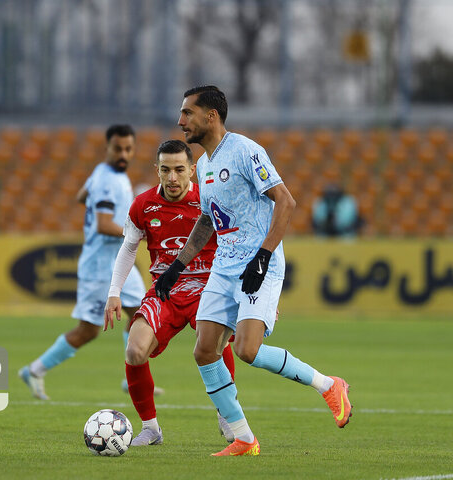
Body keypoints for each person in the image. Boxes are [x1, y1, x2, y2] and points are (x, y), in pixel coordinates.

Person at [155, 85, 353, 457]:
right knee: (204, 351)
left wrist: (263, 256)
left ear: (210, 116)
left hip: (257, 265)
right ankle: (244, 438)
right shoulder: (208, 163)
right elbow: (207, 221)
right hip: (224, 266)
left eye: (188, 113)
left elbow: (286, 201)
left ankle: (329, 385)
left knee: (246, 350)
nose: (181, 121)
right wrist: (176, 267)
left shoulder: (245, 151)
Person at [104, 139, 237, 447]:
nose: (173, 178)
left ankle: (227, 414)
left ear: (192, 169)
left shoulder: (209, 199)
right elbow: (127, 249)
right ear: (158, 171)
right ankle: (150, 429)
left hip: (208, 288)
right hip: (165, 291)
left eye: (180, 170)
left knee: (213, 344)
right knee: (135, 351)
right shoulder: (143, 205)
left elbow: (236, 241)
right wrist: (114, 292)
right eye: (166, 170)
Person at [19, 125, 147, 400]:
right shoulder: (107, 180)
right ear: (107, 148)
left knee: (142, 315)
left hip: (116, 261)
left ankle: (132, 376)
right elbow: (102, 224)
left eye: (128, 149)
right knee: (88, 331)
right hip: (100, 267)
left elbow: (81, 196)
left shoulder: (104, 174)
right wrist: (138, 233)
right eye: (117, 148)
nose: (123, 154)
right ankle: (34, 370)